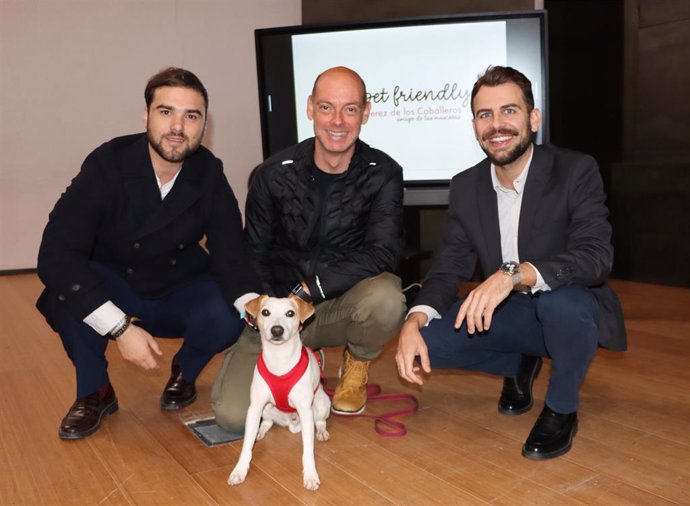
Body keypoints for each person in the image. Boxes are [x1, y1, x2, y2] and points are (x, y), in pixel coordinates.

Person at [395, 66, 626, 460]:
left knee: (562, 306)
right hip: (512, 312)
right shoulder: (466, 185)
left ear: (533, 119)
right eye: (485, 115)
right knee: (427, 342)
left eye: (509, 111)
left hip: (566, 302)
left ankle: (561, 407)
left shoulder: (574, 170)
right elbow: (451, 264)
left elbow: (596, 257)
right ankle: (520, 360)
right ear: (474, 125)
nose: (497, 125)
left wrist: (513, 274)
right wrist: (414, 318)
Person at [36, 67, 261, 440]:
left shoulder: (208, 172)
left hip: (176, 285)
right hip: (115, 284)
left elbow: (230, 254)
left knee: (228, 313)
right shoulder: (108, 162)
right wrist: (120, 327)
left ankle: (184, 372)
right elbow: (56, 253)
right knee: (70, 290)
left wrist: (257, 306)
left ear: (204, 124)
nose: (178, 127)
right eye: (166, 112)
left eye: (191, 116)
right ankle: (95, 391)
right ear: (146, 116)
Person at [212, 66, 407, 431]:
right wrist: (272, 309)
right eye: (327, 107)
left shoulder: (383, 173)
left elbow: (382, 253)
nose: (338, 120)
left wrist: (312, 289)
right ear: (310, 109)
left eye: (350, 109)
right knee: (233, 417)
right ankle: (305, 357)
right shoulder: (272, 174)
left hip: (335, 308)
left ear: (366, 113)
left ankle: (357, 361)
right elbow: (252, 250)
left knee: (386, 298)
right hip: (277, 312)